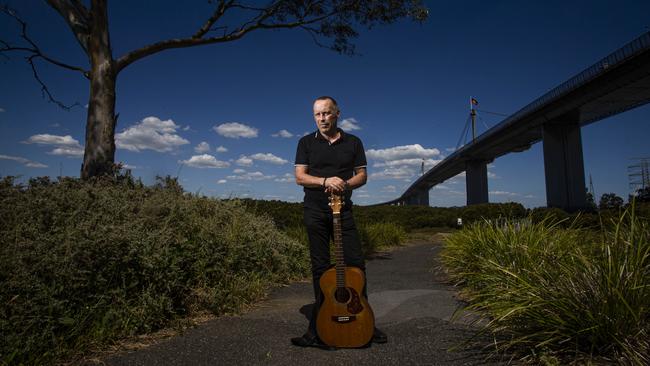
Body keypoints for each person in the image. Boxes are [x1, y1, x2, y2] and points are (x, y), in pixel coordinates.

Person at [291, 96, 387, 348]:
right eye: (317, 114)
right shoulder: (305, 143)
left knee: (356, 266)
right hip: (314, 211)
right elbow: (300, 177)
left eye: (326, 113)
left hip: (343, 210)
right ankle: (316, 330)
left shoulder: (354, 142)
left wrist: (342, 184)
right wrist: (325, 181)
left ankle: (364, 320)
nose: (321, 119)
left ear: (337, 114)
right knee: (320, 269)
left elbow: (362, 176)